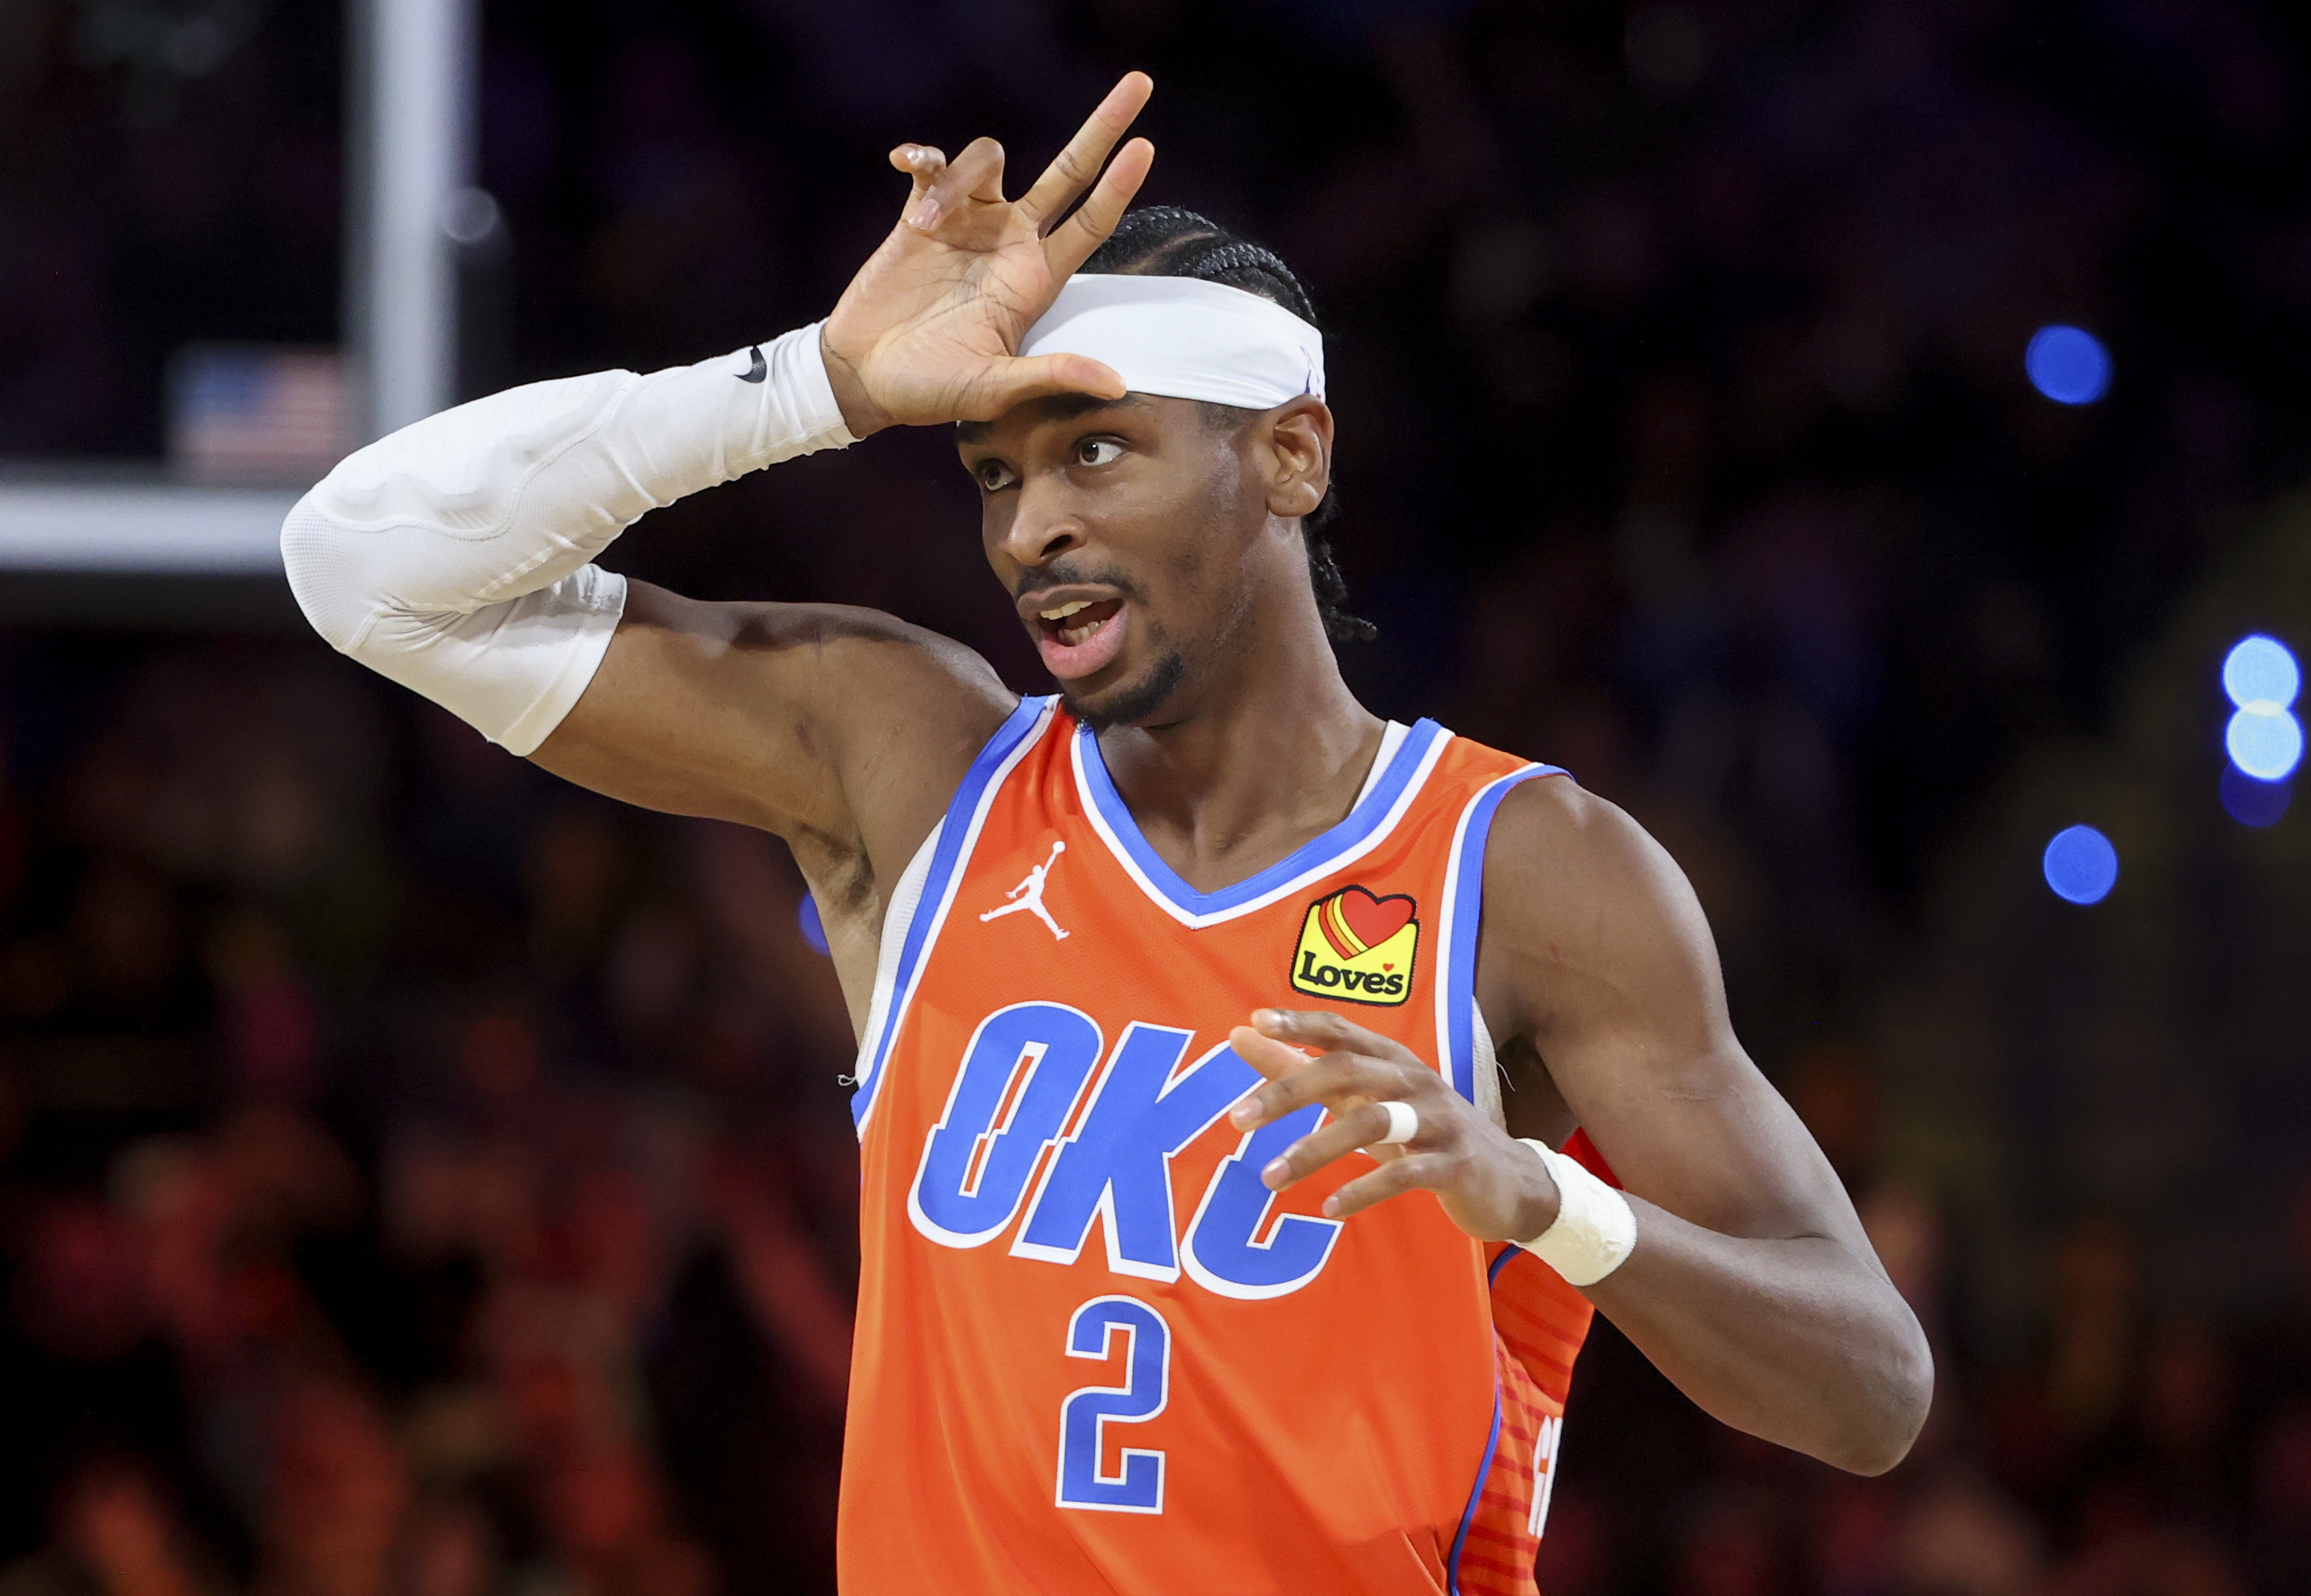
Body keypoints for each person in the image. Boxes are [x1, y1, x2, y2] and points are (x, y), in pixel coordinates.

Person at [281, 72, 1929, 1596]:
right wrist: (821, 384)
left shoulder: (1530, 866)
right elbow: (362, 562)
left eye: (1093, 450)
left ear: (1289, 452)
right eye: (994, 473)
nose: (1034, 522)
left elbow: (1871, 1385)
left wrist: (1534, 1198)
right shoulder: (914, 761)